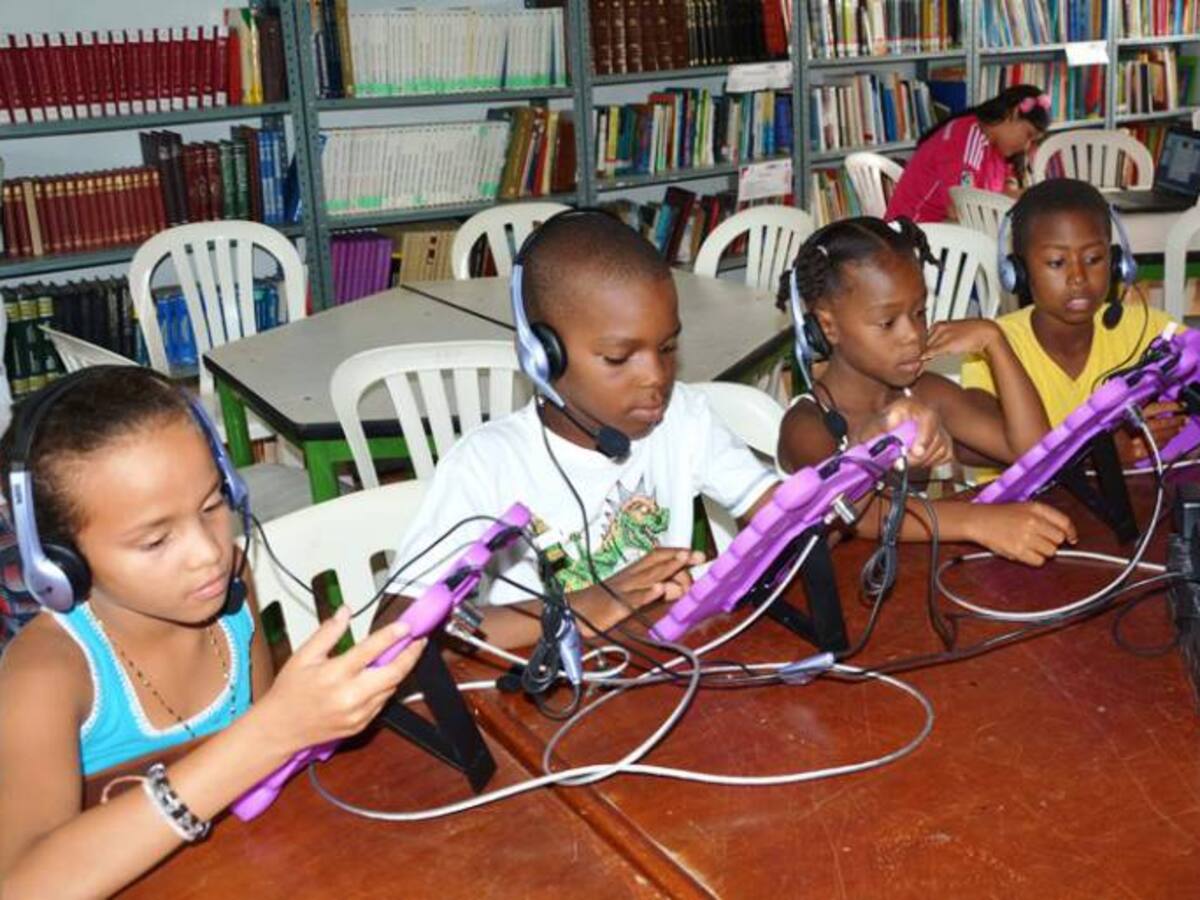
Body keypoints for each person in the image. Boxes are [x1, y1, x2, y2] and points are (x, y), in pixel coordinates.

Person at [0, 367, 426, 898]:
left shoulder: (230, 591)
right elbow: (19, 886)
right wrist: (271, 732)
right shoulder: (45, 672)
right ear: (58, 561)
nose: (209, 554)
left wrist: (301, 721)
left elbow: (273, 775)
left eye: (212, 506)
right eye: (155, 541)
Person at [383, 210, 795, 651]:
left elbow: (784, 517)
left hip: (658, 662)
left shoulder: (684, 418)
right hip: (545, 681)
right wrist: (578, 608)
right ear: (542, 357)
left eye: (668, 347)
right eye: (619, 358)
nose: (656, 376)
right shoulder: (488, 464)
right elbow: (395, 629)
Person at [777, 216, 1077, 566]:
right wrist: (976, 522)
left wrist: (995, 342)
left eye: (919, 312)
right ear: (828, 326)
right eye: (888, 322)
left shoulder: (922, 392)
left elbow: (1038, 453)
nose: (912, 335)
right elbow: (854, 511)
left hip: (912, 579)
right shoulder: (806, 424)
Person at [961, 178, 1186, 462]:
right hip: (1038, 493)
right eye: (1057, 262)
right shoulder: (994, 346)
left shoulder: (1152, 330)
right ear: (1018, 271)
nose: (1078, 277)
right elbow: (969, 450)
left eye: (1093, 259)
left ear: (1116, 262)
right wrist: (1100, 452)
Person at [885, 84, 1051, 223]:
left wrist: (1032, 195)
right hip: (916, 233)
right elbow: (961, 210)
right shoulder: (965, 139)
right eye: (1028, 135)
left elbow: (1002, 194)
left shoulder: (998, 147)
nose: (1026, 146)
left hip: (946, 229)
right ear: (1013, 114)